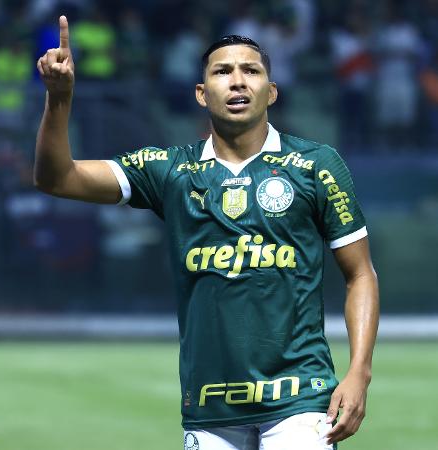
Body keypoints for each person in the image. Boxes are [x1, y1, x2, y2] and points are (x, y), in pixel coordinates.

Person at [35, 16, 379, 450]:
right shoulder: (171, 170)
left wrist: (359, 372)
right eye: (222, 72)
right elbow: (57, 178)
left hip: (300, 400)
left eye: (251, 71)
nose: (237, 81)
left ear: (271, 91)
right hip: (210, 407)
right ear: (201, 93)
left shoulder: (316, 166)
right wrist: (60, 99)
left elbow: (360, 274)